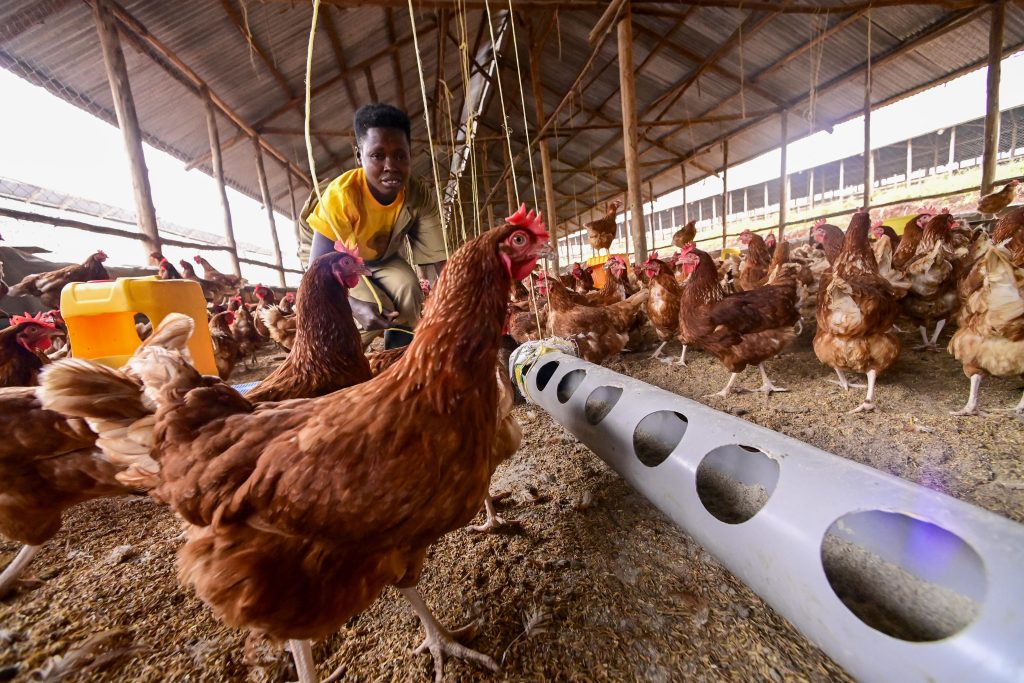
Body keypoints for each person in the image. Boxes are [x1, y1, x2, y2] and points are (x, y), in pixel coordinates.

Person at [298, 103, 447, 349]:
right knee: (377, 309)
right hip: (335, 265)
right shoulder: (341, 198)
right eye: (378, 155)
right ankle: (341, 358)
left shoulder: (417, 194)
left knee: (409, 289)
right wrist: (354, 307)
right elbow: (318, 278)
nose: (391, 165)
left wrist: (454, 304)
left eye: (400, 155)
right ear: (359, 155)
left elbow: (439, 263)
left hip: (381, 258)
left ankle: (398, 362)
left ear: (411, 154)